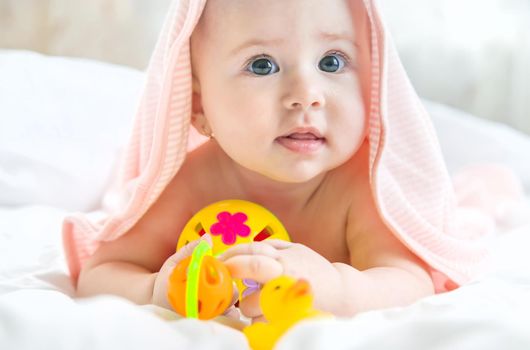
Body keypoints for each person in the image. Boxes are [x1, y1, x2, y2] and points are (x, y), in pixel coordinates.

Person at [64, 0, 491, 323]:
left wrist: (335, 288)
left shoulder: (362, 183)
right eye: (263, 65)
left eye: (332, 62)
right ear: (197, 104)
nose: (307, 92)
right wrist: (155, 290)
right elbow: (102, 272)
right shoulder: (192, 182)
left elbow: (408, 281)